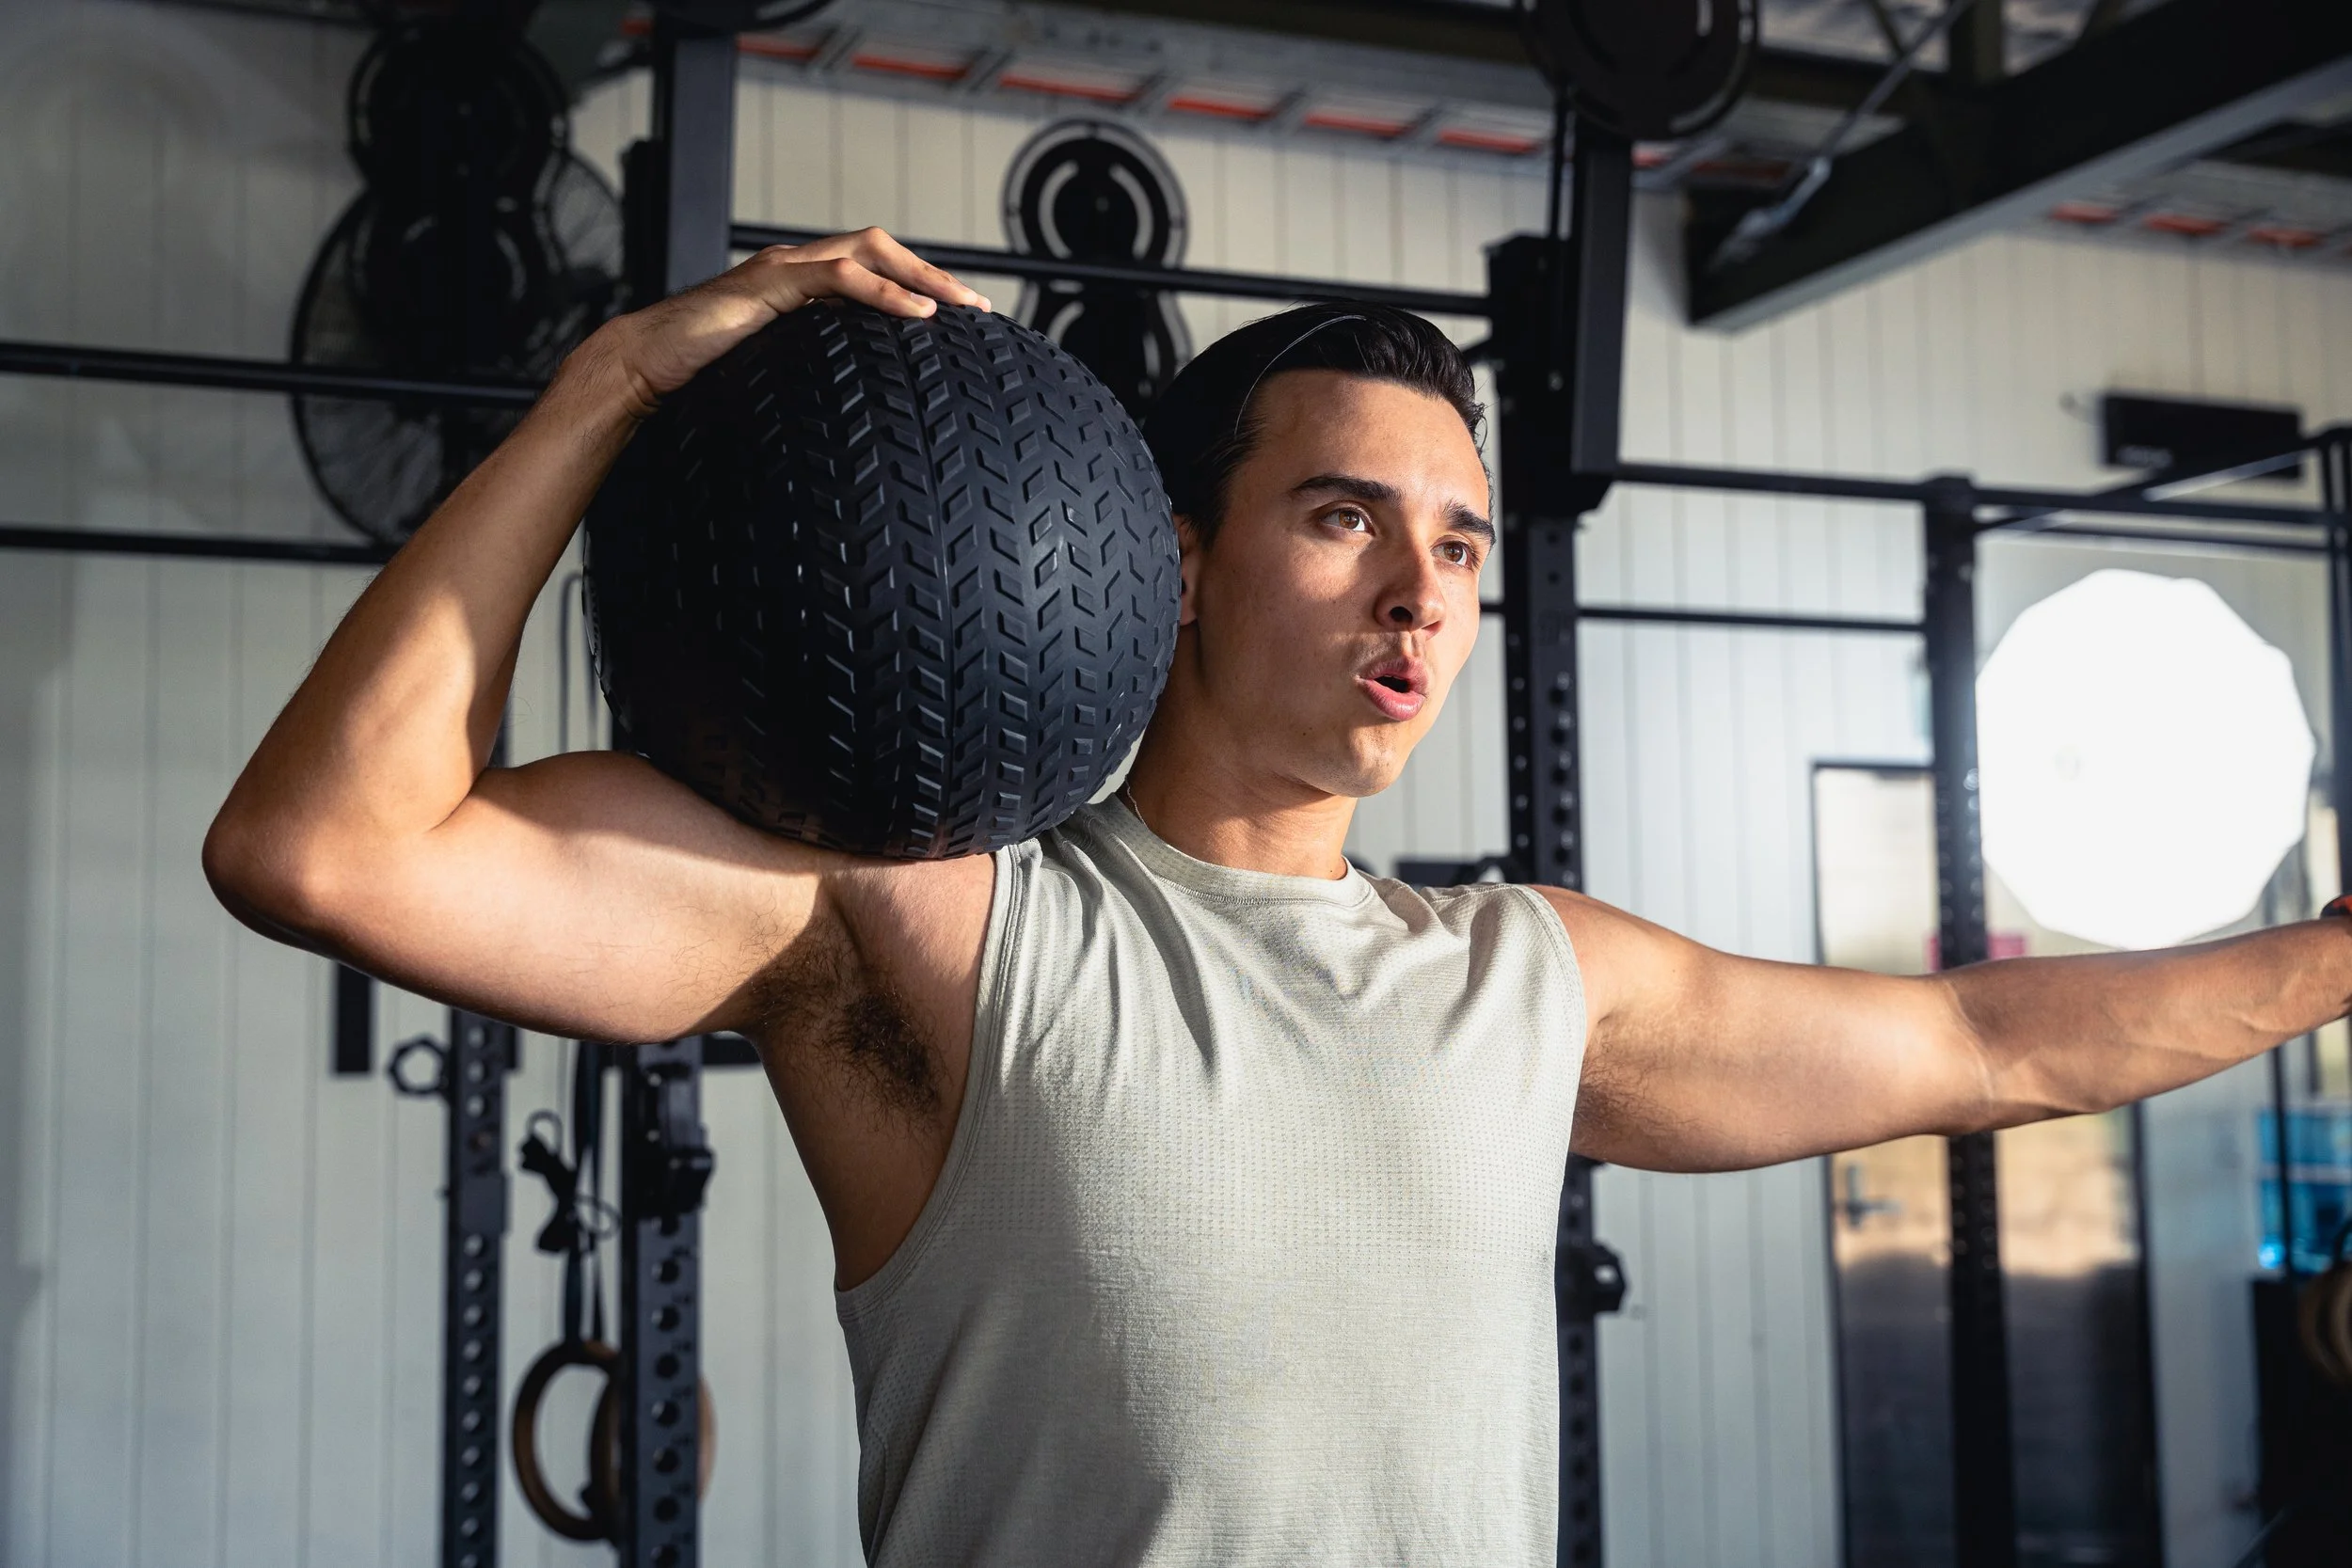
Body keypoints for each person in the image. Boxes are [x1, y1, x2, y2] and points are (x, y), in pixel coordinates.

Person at [204, 230, 2352, 1566]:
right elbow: (330, 843)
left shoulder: (1530, 981)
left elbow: (1987, 1039)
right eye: (1340, 517)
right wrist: (614, 382)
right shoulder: (914, 915)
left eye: (1458, 537)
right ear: (1172, 554)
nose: (1420, 591)